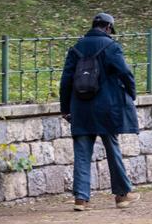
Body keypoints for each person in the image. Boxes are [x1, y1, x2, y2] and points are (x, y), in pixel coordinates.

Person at [59, 12, 139, 211]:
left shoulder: (76, 48)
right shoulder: (111, 47)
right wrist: (132, 93)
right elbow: (125, 73)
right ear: (108, 28)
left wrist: (65, 108)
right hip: (107, 109)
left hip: (81, 108)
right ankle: (122, 195)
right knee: (112, 149)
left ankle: (81, 198)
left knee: (82, 153)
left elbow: (66, 80)